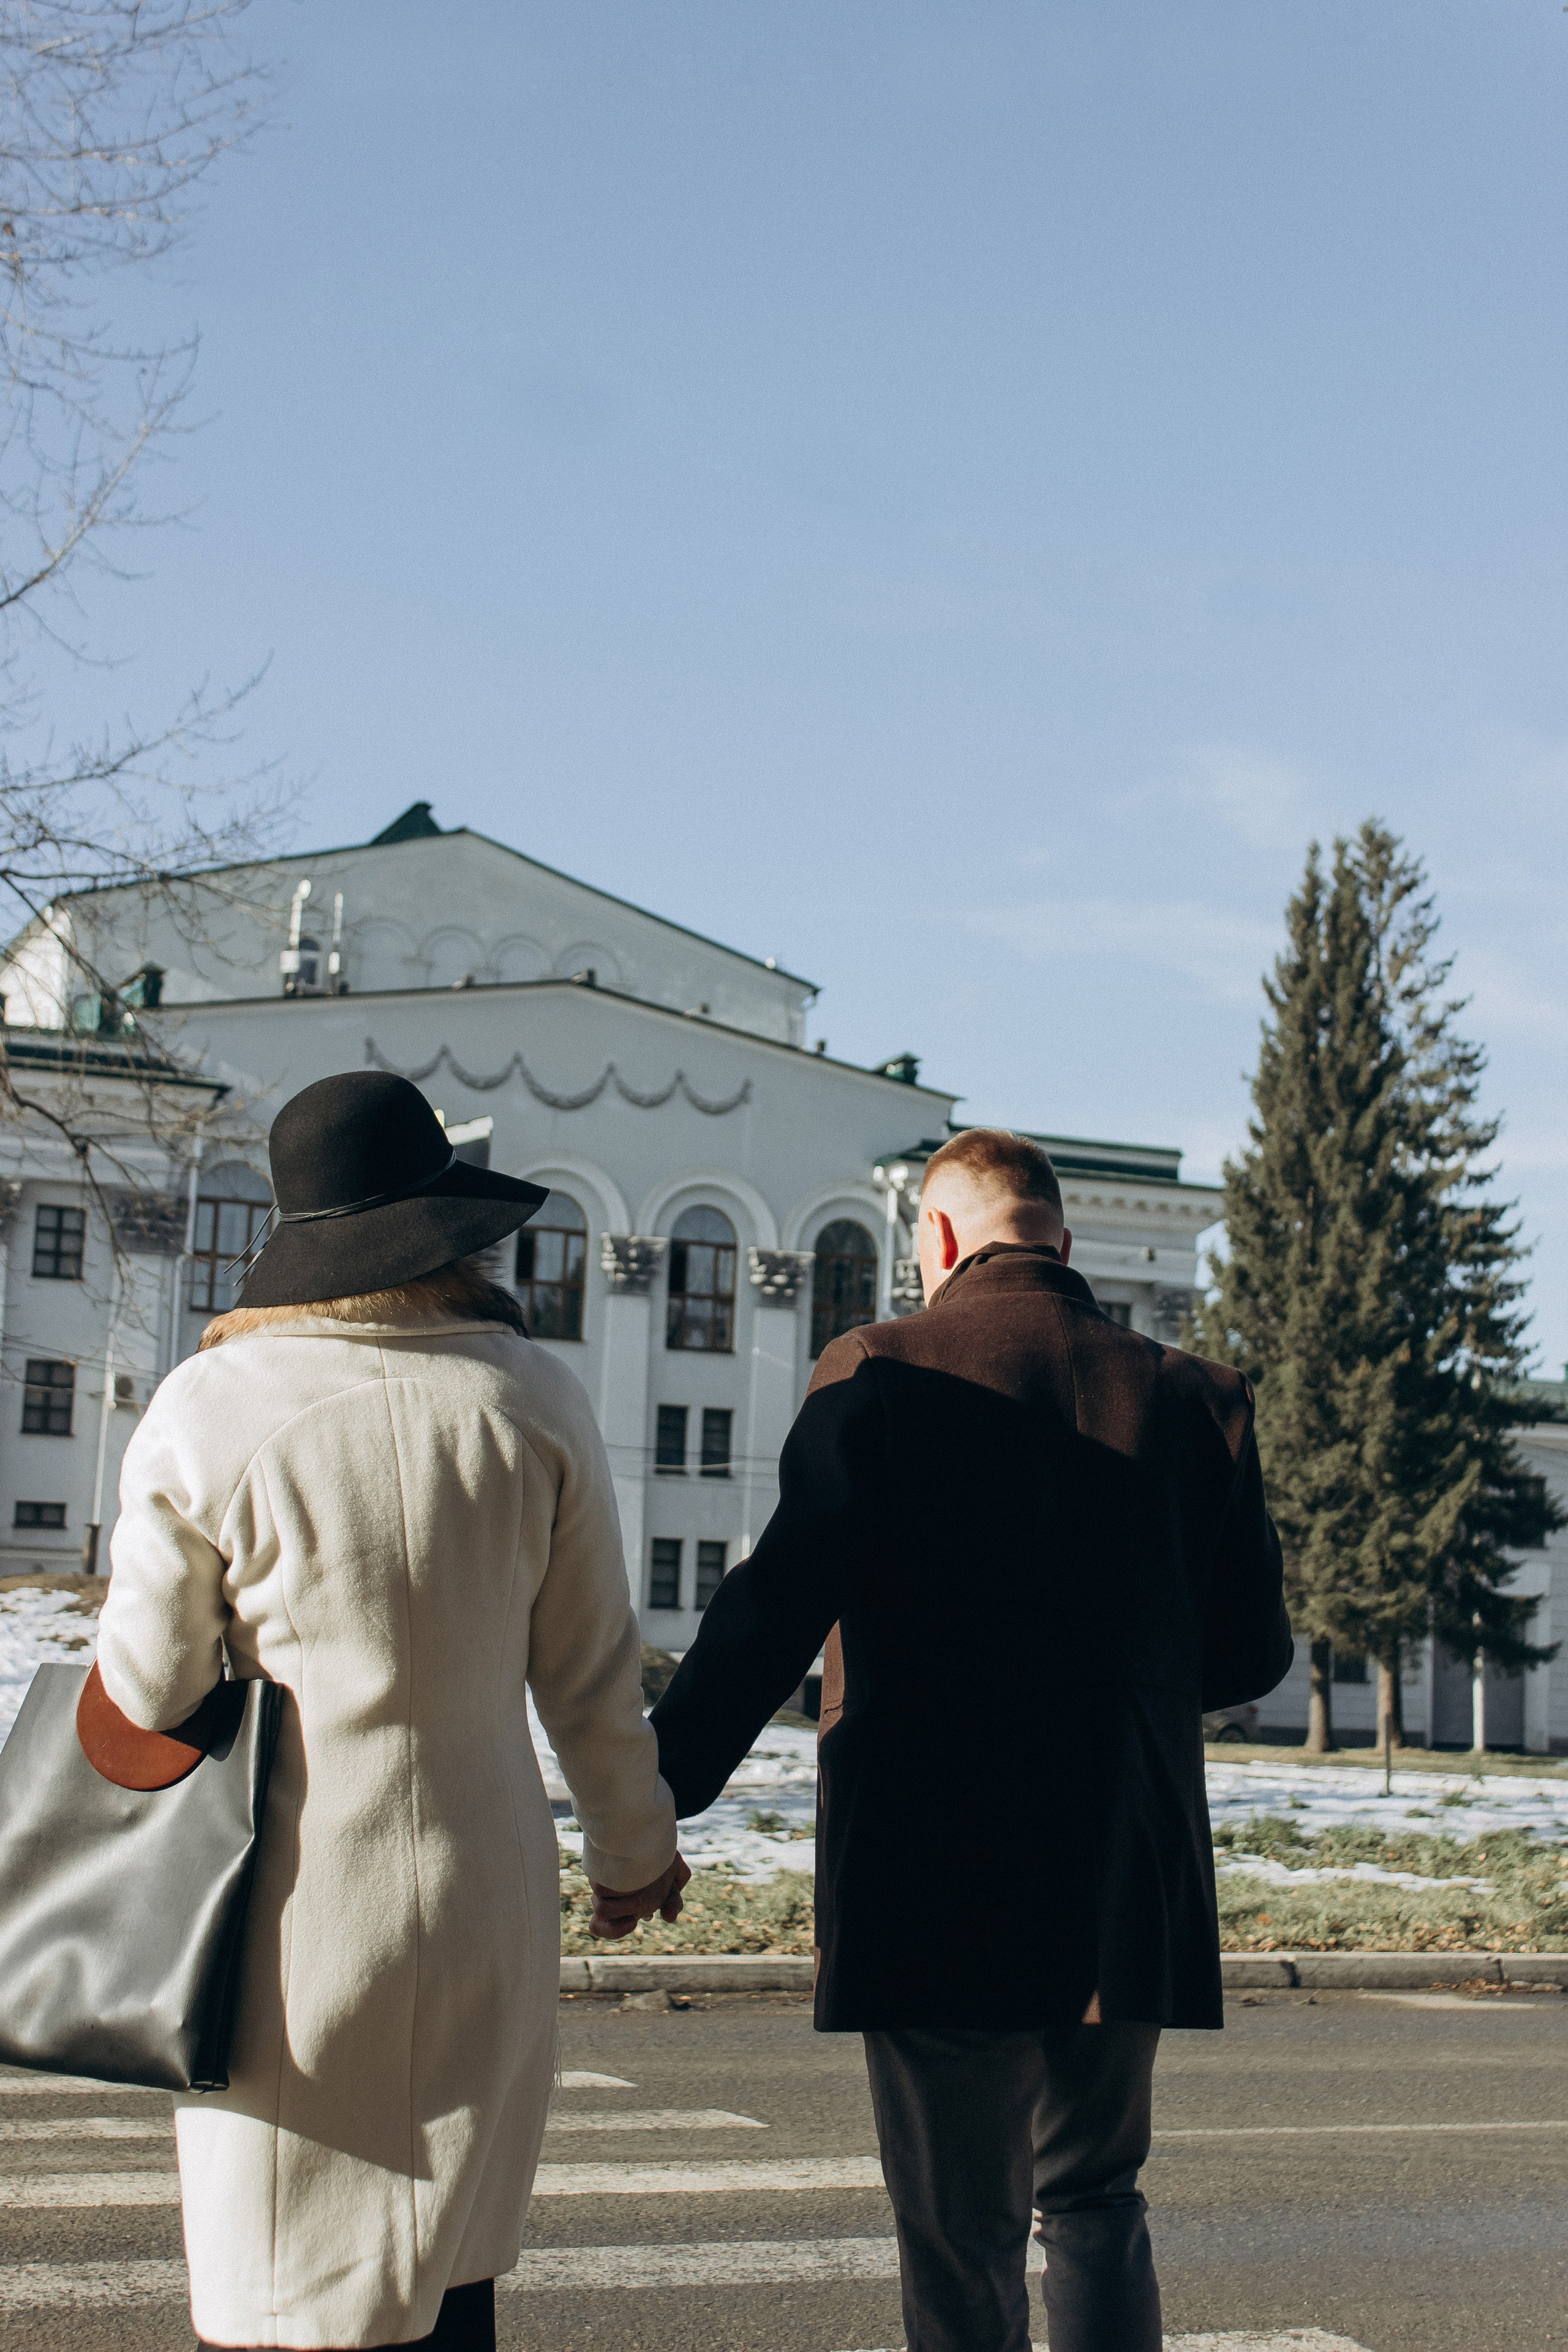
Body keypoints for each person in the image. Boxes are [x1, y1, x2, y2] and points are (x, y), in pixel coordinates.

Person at [644, 1127, 1292, 2352]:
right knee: (1095, 2200)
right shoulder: (1192, 1394)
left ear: (934, 1240)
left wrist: (653, 1790)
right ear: (1062, 1237)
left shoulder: (881, 1370)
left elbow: (773, 1607)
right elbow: (1250, 1655)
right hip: (1122, 1871)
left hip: (933, 1875)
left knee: (961, 2238)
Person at [95, 1071, 687, 2352]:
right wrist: (636, 1857)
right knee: (450, 2273)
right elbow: (593, 1680)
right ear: (443, 1226)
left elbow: (147, 1695)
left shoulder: (213, 1408)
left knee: (279, 2295)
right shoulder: (531, 1398)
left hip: (286, 1918)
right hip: (485, 1898)